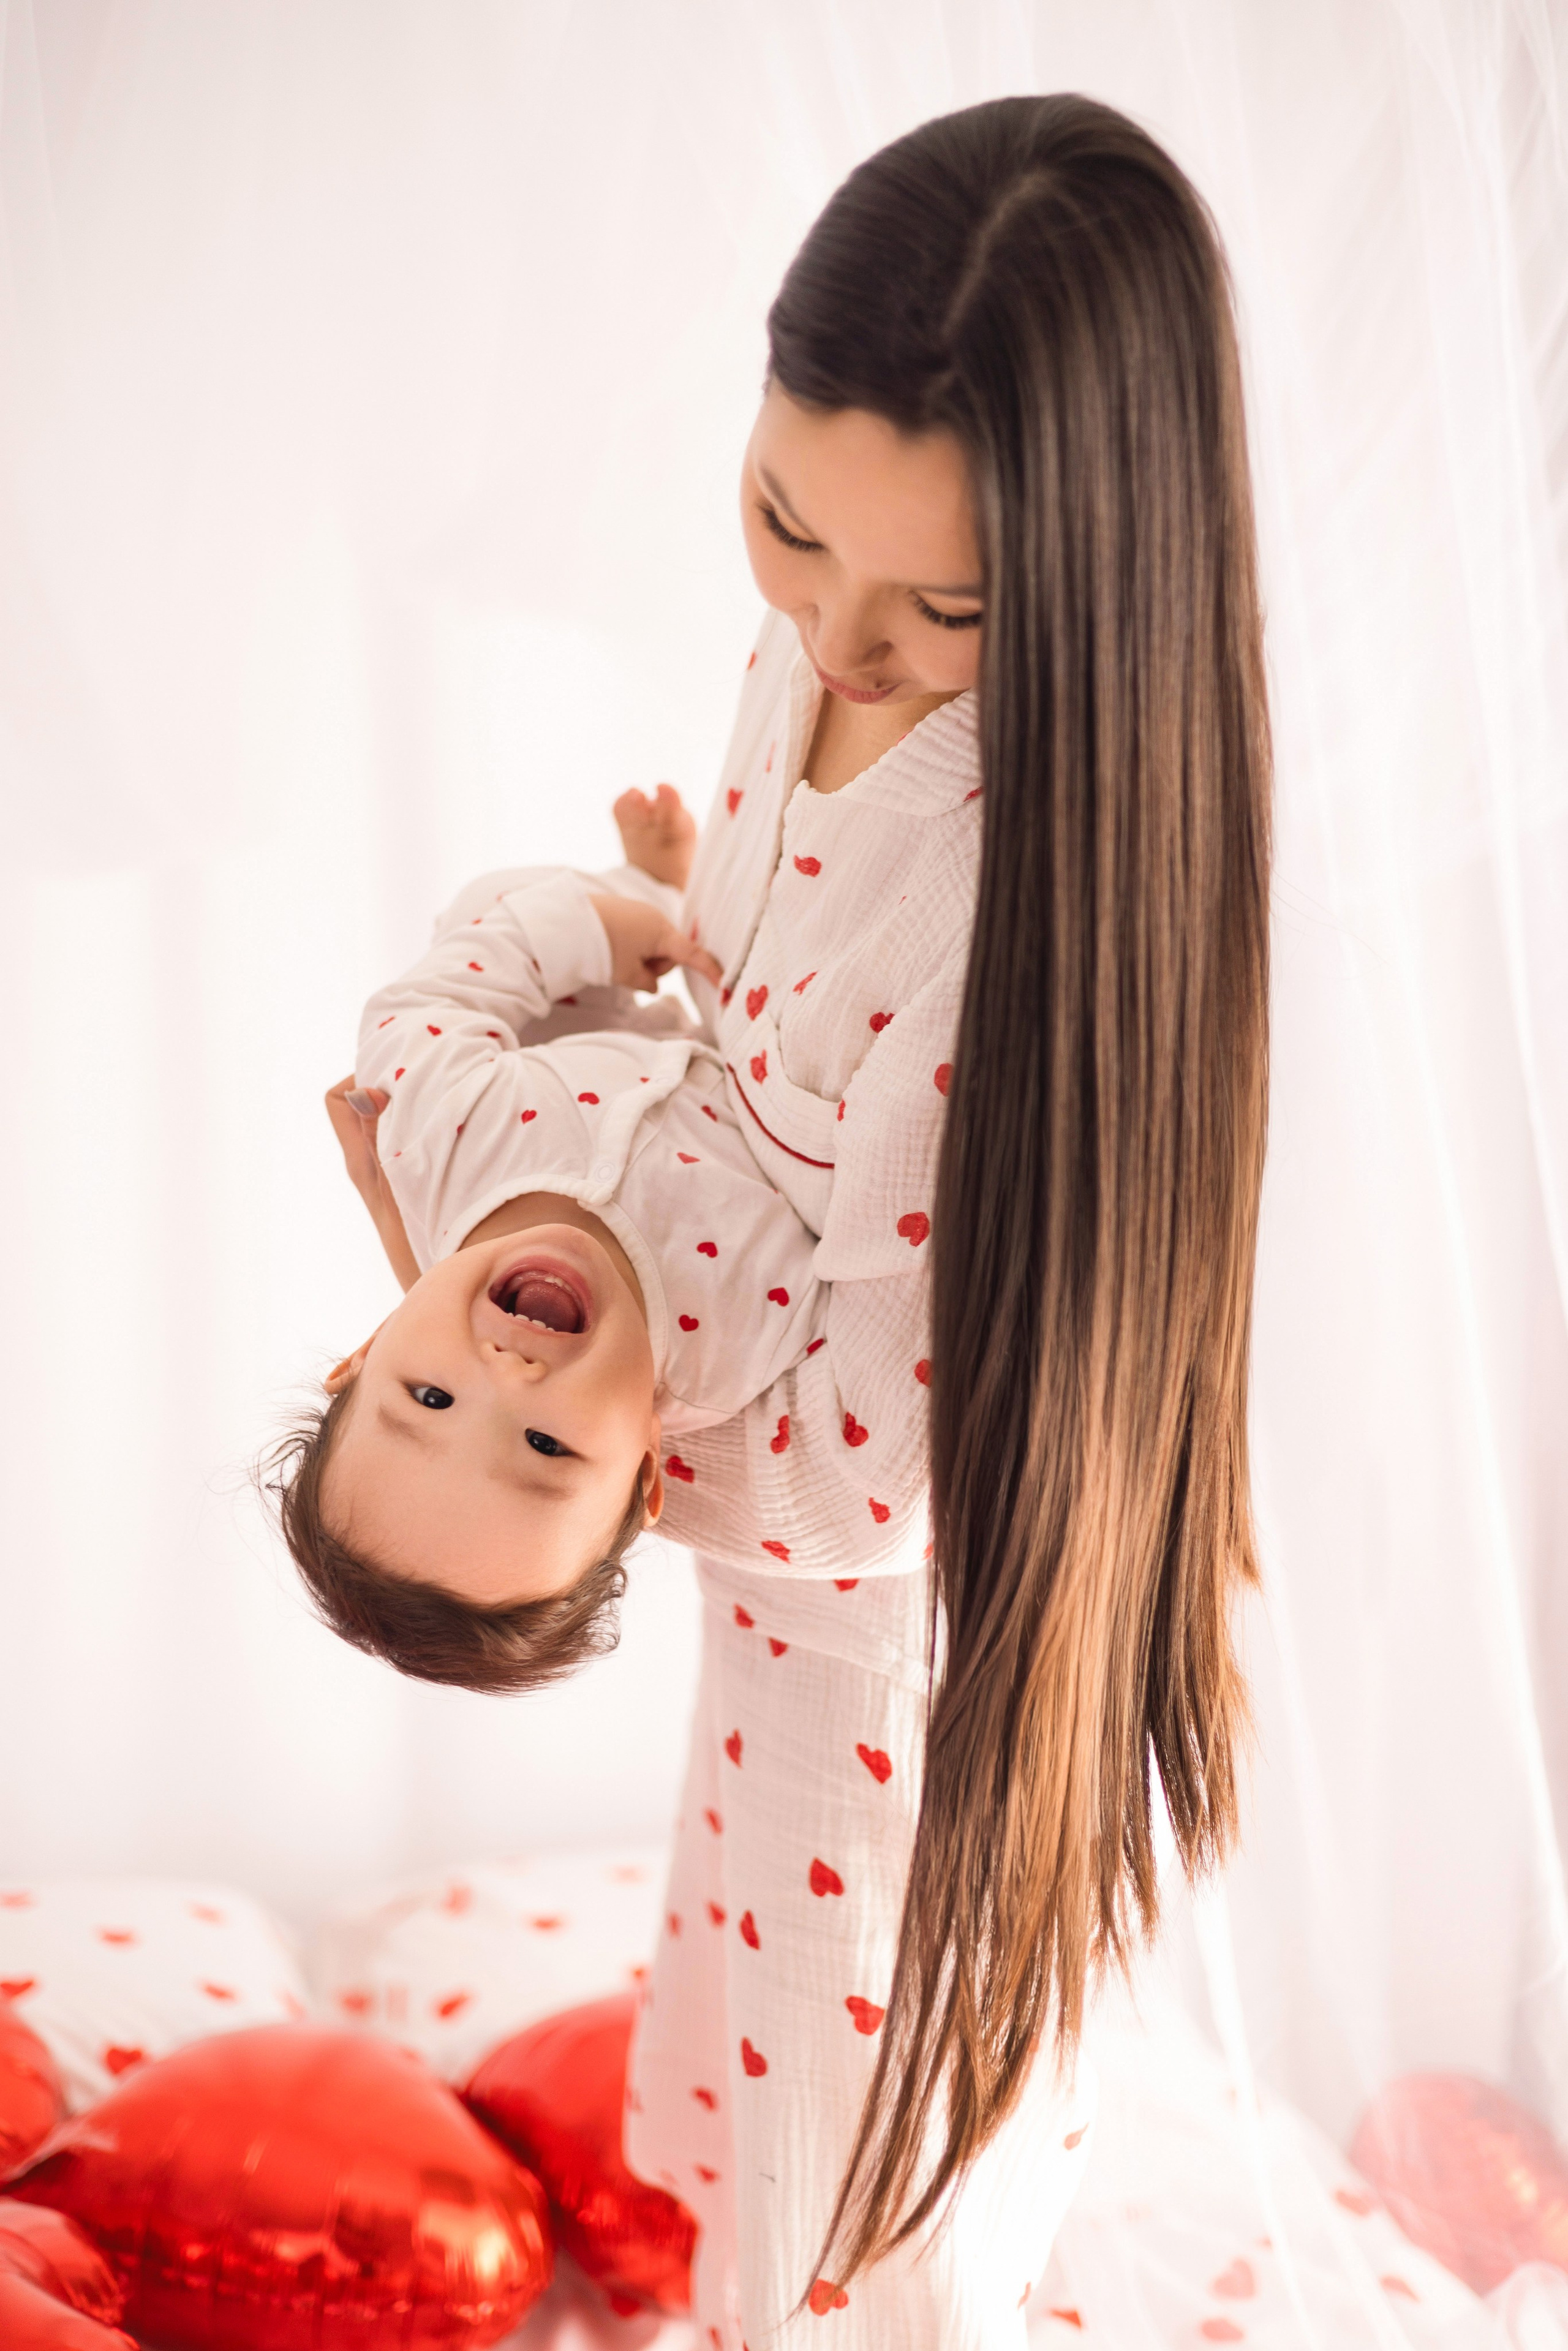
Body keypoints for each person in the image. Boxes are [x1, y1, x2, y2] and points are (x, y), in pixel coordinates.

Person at [308, 91, 1272, 2350]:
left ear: (1089, 576)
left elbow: (869, 1451)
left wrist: (586, 1452)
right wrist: (681, 925)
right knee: (777, 2076)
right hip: (780, 1632)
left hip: (901, 1647)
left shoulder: (1011, 879)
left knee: (865, 2145)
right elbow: (750, 1067)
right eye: (783, 523)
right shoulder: (833, 663)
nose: (837, 637)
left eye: (949, 608)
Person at [273, 793, 846, 1686]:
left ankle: (647, 887)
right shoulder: (742, 1342)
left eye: (430, 1396)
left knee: (490, 907)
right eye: (546, 1446)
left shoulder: (434, 1144)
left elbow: (432, 998)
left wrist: (589, 932)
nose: (509, 1372)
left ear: (370, 1348)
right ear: (646, 1471)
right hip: (747, 1078)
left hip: (602, 1023)